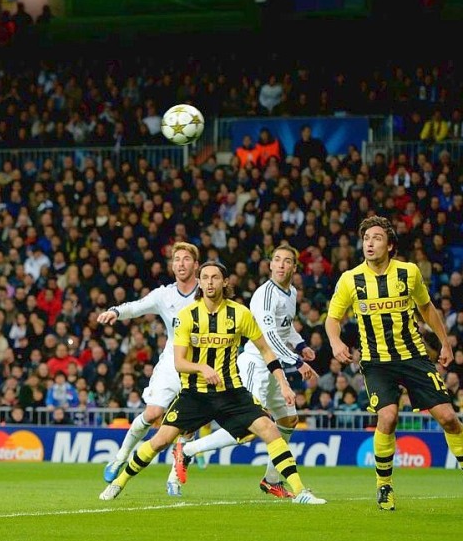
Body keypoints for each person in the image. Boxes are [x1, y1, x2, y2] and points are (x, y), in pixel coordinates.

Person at [99, 261, 326, 505]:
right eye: (204, 277)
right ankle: (118, 482)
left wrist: (282, 382)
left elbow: (266, 351)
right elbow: (179, 362)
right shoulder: (187, 316)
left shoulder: (240, 314)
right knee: (160, 441)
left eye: (215, 277)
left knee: (270, 429)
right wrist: (201, 368)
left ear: (225, 282)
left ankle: (300, 491)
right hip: (194, 394)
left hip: (231, 393)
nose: (209, 282)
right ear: (199, 282)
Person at [325, 216, 463, 510]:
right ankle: (384, 486)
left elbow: (426, 307)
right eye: (366, 239)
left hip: (413, 357)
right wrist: (336, 342)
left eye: (376, 238)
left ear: (389, 245)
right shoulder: (351, 279)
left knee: (449, 419)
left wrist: (444, 342)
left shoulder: (408, 273)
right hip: (377, 363)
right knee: (387, 417)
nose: (369, 243)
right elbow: (332, 319)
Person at [172, 246, 318, 499]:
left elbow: (285, 329)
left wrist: (301, 344)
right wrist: (296, 361)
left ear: (295, 268)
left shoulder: (291, 293)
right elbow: (269, 337)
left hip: (274, 364)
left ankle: (271, 480)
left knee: (288, 421)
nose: (282, 265)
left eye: (287, 262)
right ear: (270, 265)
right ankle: (189, 450)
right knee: (250, 428)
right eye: (277, 260)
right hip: (254, 364)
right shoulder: (265, 296)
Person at [98, 242, 200, 497]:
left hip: (199, 366)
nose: (181, 263)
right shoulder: (164, 295)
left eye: (186, 259)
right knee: (153, 412)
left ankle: (174, 479)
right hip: (171, 364)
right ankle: (120, 456)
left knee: (187, 425)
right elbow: (136, 306)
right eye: (177, 259)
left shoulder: (207, 292)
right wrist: (115, 311)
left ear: (195, 265)